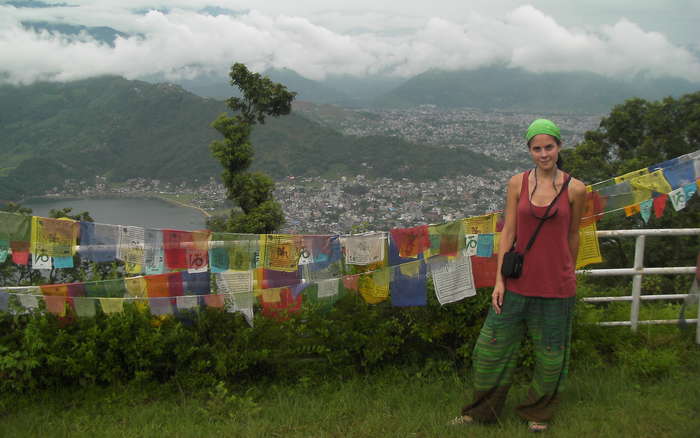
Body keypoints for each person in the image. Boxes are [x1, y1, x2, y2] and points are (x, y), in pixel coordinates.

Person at [452, 119, 587, 432]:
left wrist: (571, 272)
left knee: (552, 355)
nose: (543, 154)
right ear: (529, 150)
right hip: (517, 282)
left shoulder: (575, 189)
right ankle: (481, 411)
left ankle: (538, 413)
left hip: (557, 284)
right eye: (537, 148)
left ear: (559, 147)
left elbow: (573, 234)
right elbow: (508, 231)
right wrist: (500, 280)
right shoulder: (517, 183)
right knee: (489, 349)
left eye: (548, 147)